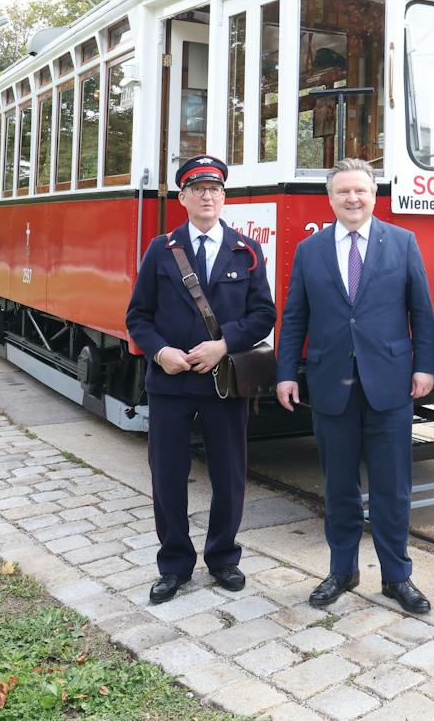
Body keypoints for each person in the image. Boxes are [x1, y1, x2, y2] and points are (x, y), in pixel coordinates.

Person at [277, 158, 434, 612]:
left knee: (393, 487)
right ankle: (342, 571)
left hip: (389, 384)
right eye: (344, 192)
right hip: (332, 384)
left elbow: (421, 313)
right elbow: (294, 318)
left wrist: (425, 367)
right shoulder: (310, 250)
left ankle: (396, 577)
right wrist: (286, 372)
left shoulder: (403, 243)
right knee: (340, 486)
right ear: (330, 199)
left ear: (374, 196)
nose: (353, 199)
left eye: (361, 192)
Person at [126, 156, 276, 605]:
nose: (207, 196)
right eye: (198, 189)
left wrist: (224, 344)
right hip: (170, 383)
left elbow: (263, 314)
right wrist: (160, 352)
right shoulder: (161, 249)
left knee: (229, 474)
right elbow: (138, 315)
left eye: (215, 189)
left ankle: (224, 557)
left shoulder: (245, 250)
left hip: (223, 383)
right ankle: (173, 565)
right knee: (167, 476)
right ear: (183, 197)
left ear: (224, 197)